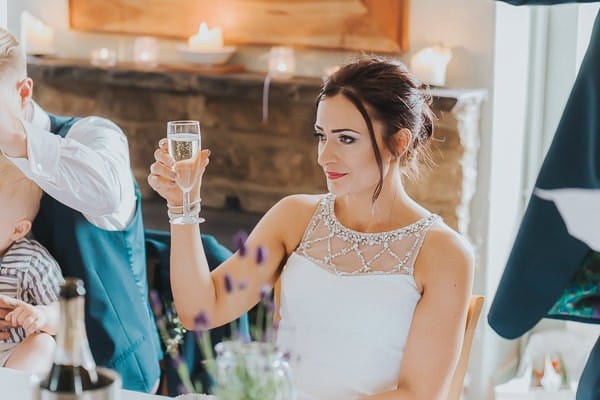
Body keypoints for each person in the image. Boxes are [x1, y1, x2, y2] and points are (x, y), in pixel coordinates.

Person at [149, 57, 474, 399]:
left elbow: (418, 394)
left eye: (346, 139)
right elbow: (200, 311)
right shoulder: (294, 217)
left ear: (399, 143)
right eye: (322, 136)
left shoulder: (444, 254)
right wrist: (182, 205)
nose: (324, 156)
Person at [0, 28, 160, 392]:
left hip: (109, 379)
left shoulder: (93, 136)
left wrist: (12, 137)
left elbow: (106, 195)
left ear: (23, 92)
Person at [0, 154, 63, 376]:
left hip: (11, 357)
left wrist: (42, 315)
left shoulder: (31, 261)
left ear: (18, 230)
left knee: (43, 344)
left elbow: (66, 312)